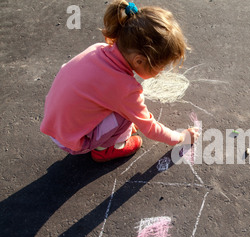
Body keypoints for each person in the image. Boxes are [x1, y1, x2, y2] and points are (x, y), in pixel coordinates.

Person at [40, 1, 199, 162]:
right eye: (161, 66)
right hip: (73, 141)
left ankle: (106, 132)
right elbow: (149, 128)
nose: (161, 72)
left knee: (124, 107)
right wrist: (180, 137)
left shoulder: (98, 48)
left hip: (56, 124)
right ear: (139, 61)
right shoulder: (125, 88)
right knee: (128, 113)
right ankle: (106, 149)